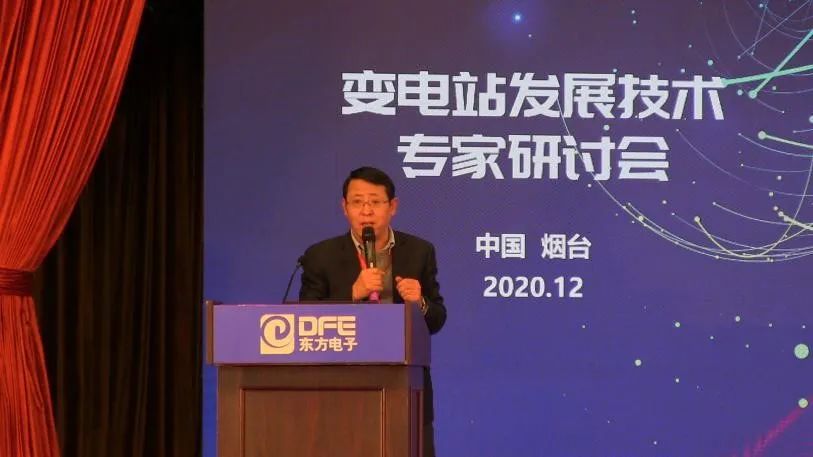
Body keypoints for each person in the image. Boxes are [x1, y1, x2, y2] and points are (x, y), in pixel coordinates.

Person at [299, 166, 447, 457]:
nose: (366, 211)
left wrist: (420, 302)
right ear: (344, 207)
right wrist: (352, 295)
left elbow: (437, 319)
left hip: (404, 382)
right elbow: (306, 320)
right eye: (357, 202)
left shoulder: (419, 251)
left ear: (393, 207)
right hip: (341, 385)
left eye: (375, 202)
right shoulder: (321, 256)